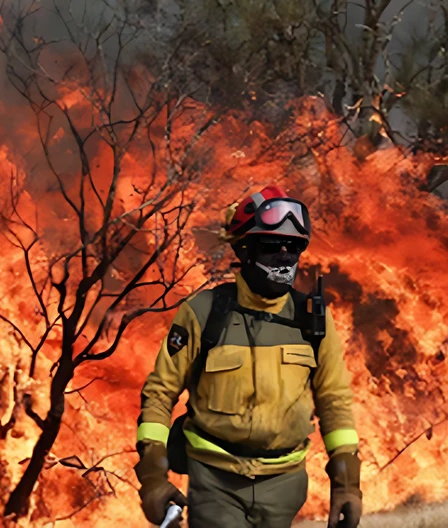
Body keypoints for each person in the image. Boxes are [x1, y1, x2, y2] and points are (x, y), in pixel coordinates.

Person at [133, 185, 362, 528]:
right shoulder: (203, 313)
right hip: (215, 480)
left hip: (286, 483)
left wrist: (347, 484)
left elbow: (334, 400)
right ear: (245, 249)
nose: (285, 256)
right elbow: (159, 395)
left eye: (294, 246)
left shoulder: (313, 320)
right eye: (272, 246)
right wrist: (153, 477)